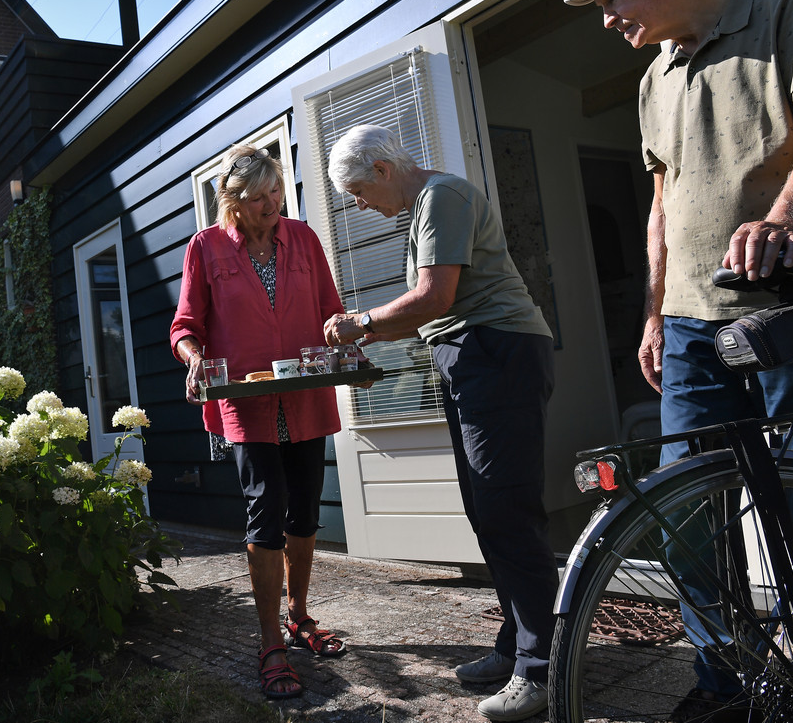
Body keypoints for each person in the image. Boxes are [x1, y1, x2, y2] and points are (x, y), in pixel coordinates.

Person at [565, 0, 793, 721]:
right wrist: (653, 314)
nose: (606, 16)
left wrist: (787, 222)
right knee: (686, 515)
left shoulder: (784, 10)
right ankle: (724, 680)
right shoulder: (652, 79)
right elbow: (662, 207)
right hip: (695, 328)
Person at [322, 124, 557, 722]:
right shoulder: (428, 206)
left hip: (496, 352)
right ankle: (516, 645)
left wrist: (362, 323)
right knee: (487, 509)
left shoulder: (442, 196)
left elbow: (434, 297)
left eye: (357, 191)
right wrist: (373, 338)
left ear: (381, 169)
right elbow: (431, 311)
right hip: (471, 355)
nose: (359, 205)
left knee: (507, 509)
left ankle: (542, 668)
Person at [169, 144, 348, 701]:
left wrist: (350, 338)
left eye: (276, 193)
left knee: (305, 508)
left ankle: (298, 615)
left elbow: (329, 309)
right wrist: (195, 356)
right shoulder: (205, 248)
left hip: (305, 397)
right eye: (258, 198)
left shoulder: (304, 238)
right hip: (247, 405)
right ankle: (270, 639)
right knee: (264, 506)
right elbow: (185, 325)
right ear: (233, 203)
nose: (272, 205)